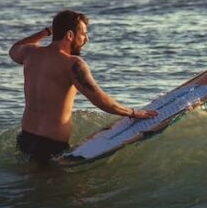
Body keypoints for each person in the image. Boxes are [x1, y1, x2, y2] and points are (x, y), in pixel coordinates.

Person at [9, 10, 157, 165]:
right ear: (70, 36)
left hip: (25, 139)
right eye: (84, 34)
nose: (86, 39)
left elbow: (15, 48)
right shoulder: (72, 64)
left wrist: (47, 31)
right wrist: (133, 113)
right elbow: (100, 100)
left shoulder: (30, 53)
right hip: (50, 145)